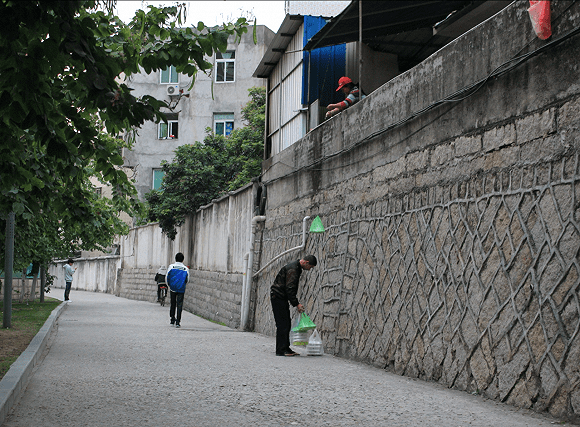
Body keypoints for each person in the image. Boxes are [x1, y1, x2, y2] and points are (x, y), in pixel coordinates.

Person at [270, 254, 317, 356]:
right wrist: (297, 304)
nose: (309, 269)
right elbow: (290, 288)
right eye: (310, 267)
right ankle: (281, 350)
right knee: (283, 324)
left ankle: (286, 348)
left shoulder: (296, 267)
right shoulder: (293, 269)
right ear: (306, 263)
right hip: (278, 297)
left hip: (280, 297)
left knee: (286, 323)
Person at [166, 253, 189, 328]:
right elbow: (187, 279)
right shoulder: (185, 269)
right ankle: (178, 321)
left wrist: (169, 285)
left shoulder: (171, 266)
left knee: (173, 303)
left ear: (175, 259)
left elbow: (167, 277)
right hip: (181, 288)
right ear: (183, 260)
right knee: (179, 304)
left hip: (173, 287)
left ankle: (172, 319)